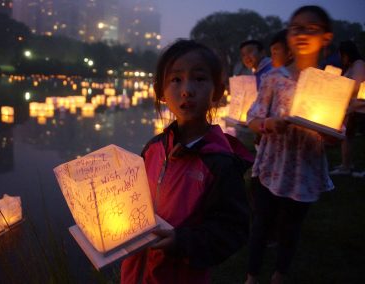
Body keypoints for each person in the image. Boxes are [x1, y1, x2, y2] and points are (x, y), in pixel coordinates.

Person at [121, 39, 250, 284]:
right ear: (161, 92)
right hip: (137, 272)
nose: (187, 90)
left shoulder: (219, 163)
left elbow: (233, 229)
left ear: (218, 92)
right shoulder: (153, 148)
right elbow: (133, 198)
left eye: (199, 79)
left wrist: (183, 241)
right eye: (176, 80)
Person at [244, 6, 335, 284]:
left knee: (291, 226)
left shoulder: (329, 83)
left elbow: (333, 134)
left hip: (304, 169)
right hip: (272, 162)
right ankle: (252, 275)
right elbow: (253, 117)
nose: (302, 34)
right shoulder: (275, 78)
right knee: (261, 222)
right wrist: (267, 124)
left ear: (326, 37)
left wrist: (326, 132)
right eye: (296, 28)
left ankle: (280, 273)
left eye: (311, 28)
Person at [329, 40, 365, 176]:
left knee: (347, 137)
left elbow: (356, 85)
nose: (340, 58)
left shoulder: (359, 65)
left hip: (358, 108)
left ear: (347, 54)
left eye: (342, 55)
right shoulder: (351, 66)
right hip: (351, 108)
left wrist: (340, 85)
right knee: (346, 137)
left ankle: (346, 166)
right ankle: (346, 163)